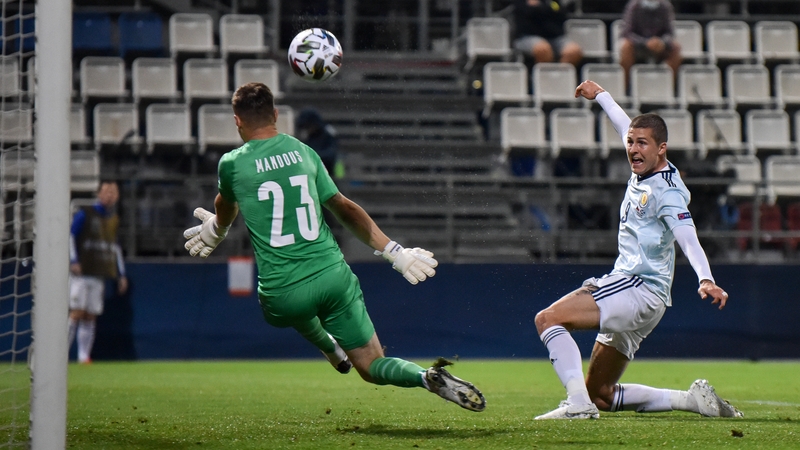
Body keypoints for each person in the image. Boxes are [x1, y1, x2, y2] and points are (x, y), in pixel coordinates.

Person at [182, 82, 486, 412]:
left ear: (237, 121)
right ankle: (425, 377)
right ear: (276, 115)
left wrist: (218, 227)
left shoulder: (232, 163)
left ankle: (327, 346)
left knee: (290, 311)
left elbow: (225, 202)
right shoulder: (304, 152)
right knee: (372, 366)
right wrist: (394, 251)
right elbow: (343, 207)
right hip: (332, 277)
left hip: (283, 293)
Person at [531, 79, 743, 420]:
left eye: (641, 143)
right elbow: (621, 122)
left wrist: (705, 278)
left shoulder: (667, 192)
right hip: (649, 296)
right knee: (602, 393)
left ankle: (577, 406)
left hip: (637, 286)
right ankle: (690, 400)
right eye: (630, 142)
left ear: (662, 148)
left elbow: (688, 236)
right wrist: (601, 95)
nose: (632, 149)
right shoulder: (644, 165)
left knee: (548, 319)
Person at [68, 181, 128, 364]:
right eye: (106, 191)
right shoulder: (85, 214)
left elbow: (115, 247)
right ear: (99, 194)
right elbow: (70, 235)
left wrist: (121, 273)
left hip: (99, 271)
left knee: (91, 315)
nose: (109, 195)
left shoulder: (114, 219)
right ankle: (60, 353)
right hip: (82, 272)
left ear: (117, 196)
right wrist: (73, 260)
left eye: (113, 192)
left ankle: (83, 356)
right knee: (77, 312)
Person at [619, 0, 682, 86]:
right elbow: (627, 33)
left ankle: (671, 86)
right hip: (638, 47)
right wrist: (645, 42)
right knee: (626, 47)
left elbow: (670, 33)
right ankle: (625, 86)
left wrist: (661, 42)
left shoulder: (665, 6)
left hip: (660, 46)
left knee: (676, 48)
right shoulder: (634, 6)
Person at [513, 0, 582, 66]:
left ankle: (558, 75)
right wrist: (546, 10)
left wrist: (541, 8)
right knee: (543, 49)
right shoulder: (522, 2)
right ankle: (543, 76)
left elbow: (560, 13)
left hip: (555, 37)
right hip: (527, 37)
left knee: (574, 51)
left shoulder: (553, 1)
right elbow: (528, 13)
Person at [295, 108, 339, 175]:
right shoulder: (308, 137)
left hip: (328, 174)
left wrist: (310, 157)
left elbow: (330, 156)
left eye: (308, 126)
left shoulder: (327, 135)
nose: (307, 130)